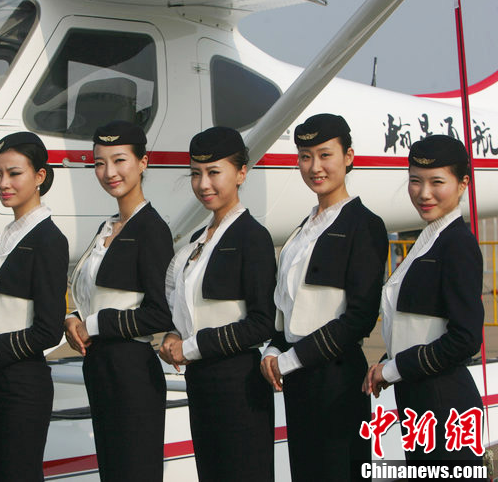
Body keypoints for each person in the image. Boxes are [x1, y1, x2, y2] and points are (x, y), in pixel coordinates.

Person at [259, 114, 388, 481]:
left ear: (348, 157)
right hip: (298, 378)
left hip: (337, 379)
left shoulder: (364, 225)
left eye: (325, 155)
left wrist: (291, 358)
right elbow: (289, 306)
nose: (315, 167)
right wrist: (273, 348)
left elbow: (360, 317)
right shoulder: (303, 230)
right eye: (305, 156)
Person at [159, 127, 276, 481]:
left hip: (239, 382)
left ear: (241, 173)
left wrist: (191, 346)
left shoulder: (252, 237)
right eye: (196, 174)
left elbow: (262, 322)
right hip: (201, 380)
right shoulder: (198, 241)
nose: (203, 184)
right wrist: (173, 334)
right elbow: (188, 306)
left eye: (214, 172)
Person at [363, 135, 483, 468]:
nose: (424, 193)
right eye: (415, 181)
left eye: (437, 182)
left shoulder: (457, 244)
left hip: (445, 403)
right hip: (421, 399)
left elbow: (465, 338)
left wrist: (393, 368)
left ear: (463, 184)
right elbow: (420, 327)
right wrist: (386, 364)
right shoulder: (430, 239)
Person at [65, 121, 174, 481]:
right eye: (100, 163)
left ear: (143, 163)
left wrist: (94, 325)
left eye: (119, 160)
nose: (109, 172)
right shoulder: (107, 228)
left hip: (132, 372)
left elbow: (161, 312)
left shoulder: (152, 229)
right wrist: (72, 318)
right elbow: (91, 296)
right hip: (101, 369)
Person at [0, 131, 67, 482]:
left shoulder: (49, 239)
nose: (3, 183)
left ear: (40, 176)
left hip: (22, 383)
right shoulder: (8, 235)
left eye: (14, 173)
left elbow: (48, 330)